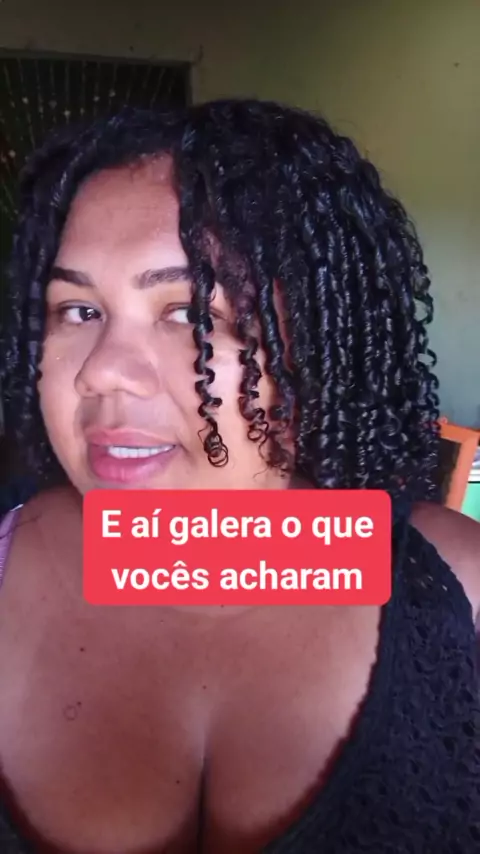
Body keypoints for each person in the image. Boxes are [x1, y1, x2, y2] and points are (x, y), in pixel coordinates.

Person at [0, 99, 478, 854]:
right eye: (80, 311)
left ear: (315, 342)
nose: (102, 374)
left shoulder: (456, 591)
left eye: (191, 315)